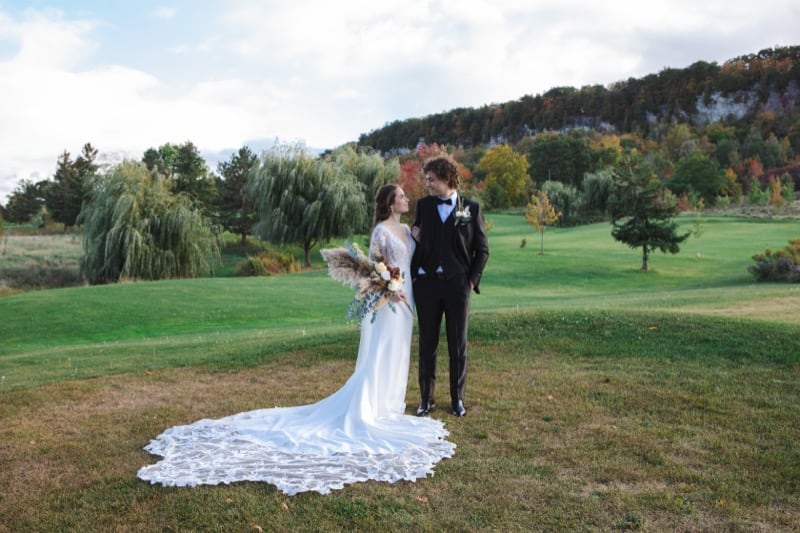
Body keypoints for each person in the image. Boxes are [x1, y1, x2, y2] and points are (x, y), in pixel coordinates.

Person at [137, 184, 455, 496]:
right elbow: (373, 269)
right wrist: (388, 287)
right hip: (388, 300)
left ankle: (391, 404)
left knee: (399, 350)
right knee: (383, 350)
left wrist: (406, 278)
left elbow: (415, 258)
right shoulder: (380, 232)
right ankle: (373, 406)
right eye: (401, 196)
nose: (406, 199)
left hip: (407, 294)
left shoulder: (408, 230)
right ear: (389, 203)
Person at [411, 156, 489, 418]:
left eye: (431, 179)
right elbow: (417, 240)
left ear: (446, 178)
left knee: (458, 345)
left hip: (458, 287)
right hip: (427, 286)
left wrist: (471, 281)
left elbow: (482, 250)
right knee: (427, 344)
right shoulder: (423, 206)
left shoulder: (471, 209)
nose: (427, 184)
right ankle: (426, 399)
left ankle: (457, 399)